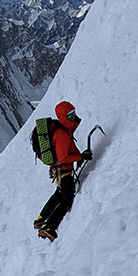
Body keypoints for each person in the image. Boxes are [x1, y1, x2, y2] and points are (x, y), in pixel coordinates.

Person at [34, 100, 92, 241]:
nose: (74, 117)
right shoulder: (61, 134)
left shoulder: (61, 130)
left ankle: (41, 219)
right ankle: (49, 227)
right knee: (67, 198)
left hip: (60, 170)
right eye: (70, 115)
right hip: (63, 170)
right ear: (63, 117)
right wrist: (80, 156)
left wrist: (78, 157)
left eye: (73, 114)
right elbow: (63, 156)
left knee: (59, 194)